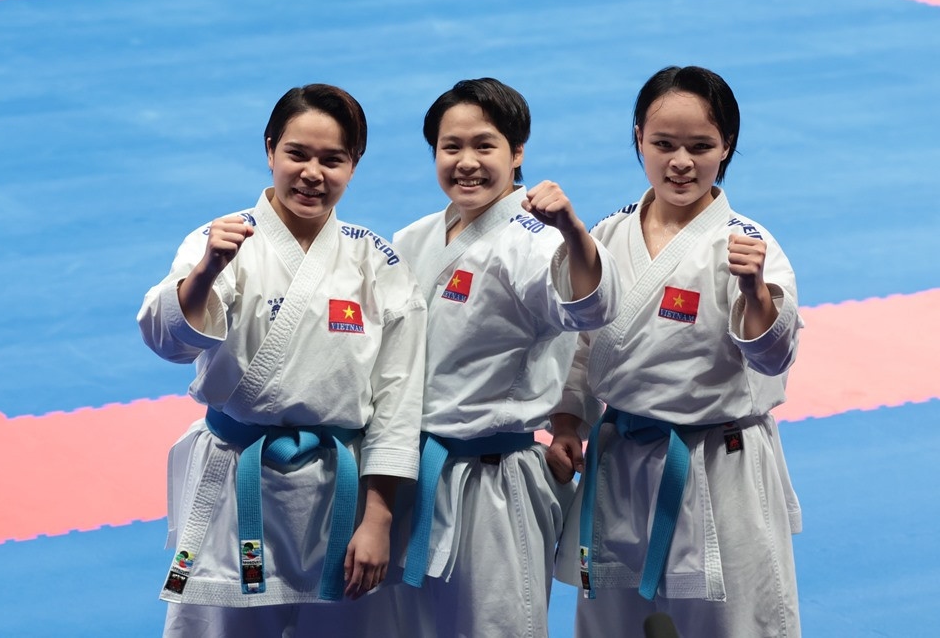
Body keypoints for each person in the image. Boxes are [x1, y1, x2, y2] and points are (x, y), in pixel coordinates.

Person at [136, 84, 427, 637]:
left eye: (332, 159)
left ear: (353, 165)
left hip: (336, 496)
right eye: (297, 154)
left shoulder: (377, 260)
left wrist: (379, 519)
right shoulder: (219, 240)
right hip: (234, 483)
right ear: (270, 150)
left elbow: (398, 400)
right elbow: (167, 342)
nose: (312, 173)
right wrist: (205, 271)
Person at [548, 65, 803, 637]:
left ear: (726, 147)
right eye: (663, 144)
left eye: (700, 146)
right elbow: (584, 347)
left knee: (735, 624)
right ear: (639, 137)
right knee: (614, 625)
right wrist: (568, 422)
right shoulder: (608, 235)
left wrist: (755, 291)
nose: (680, 162)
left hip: (719, 462)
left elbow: (773, 357)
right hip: (621, 458)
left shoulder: (748, 243)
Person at [374, 77, 621, 638]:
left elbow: (590, 308)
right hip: (415, 472)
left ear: (517, 153)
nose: (467, 163)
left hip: (493, 482)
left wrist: (575, 232)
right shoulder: (413, 239)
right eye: (450, 147)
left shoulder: (535, 239)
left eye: (484, 146)